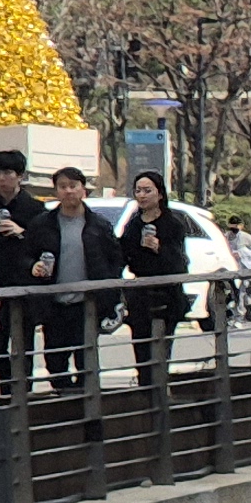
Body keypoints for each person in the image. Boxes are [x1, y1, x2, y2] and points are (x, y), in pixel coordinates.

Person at [0, 149, 55, 395]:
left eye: (7, 172)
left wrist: (22, 232)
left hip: (24, 285)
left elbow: (46, 246)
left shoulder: (36, 209)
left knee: (23, 343)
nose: (1, 178)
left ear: (20, 175)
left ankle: (22, 391)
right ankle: (7, 383)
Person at [34, 163, 114, 394]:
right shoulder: (43, 224)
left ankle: (86, 406)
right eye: (62, 186)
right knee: (55, 363)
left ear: (83, 189)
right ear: (56, 191)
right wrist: (33, 266)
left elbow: (114, 259)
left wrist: (107, 292)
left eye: (73, 185)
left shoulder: (99, 225)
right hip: (54, 305)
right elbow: (25, 255)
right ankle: (65, 402)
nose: (68, 191)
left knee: (86, 364)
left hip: (86, 305)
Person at [114, 170, 191, 390]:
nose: (142, 195)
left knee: (160, 350)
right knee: (141, 350)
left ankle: (159, 392)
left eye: (147, 191)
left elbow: (180, 263)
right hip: (140, 294)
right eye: (138, 191)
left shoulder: (173, 223)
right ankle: (145, 390)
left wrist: (159, 248)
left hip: (166, 294)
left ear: (159, 194)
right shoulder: (133, 223)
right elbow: (123, 254)